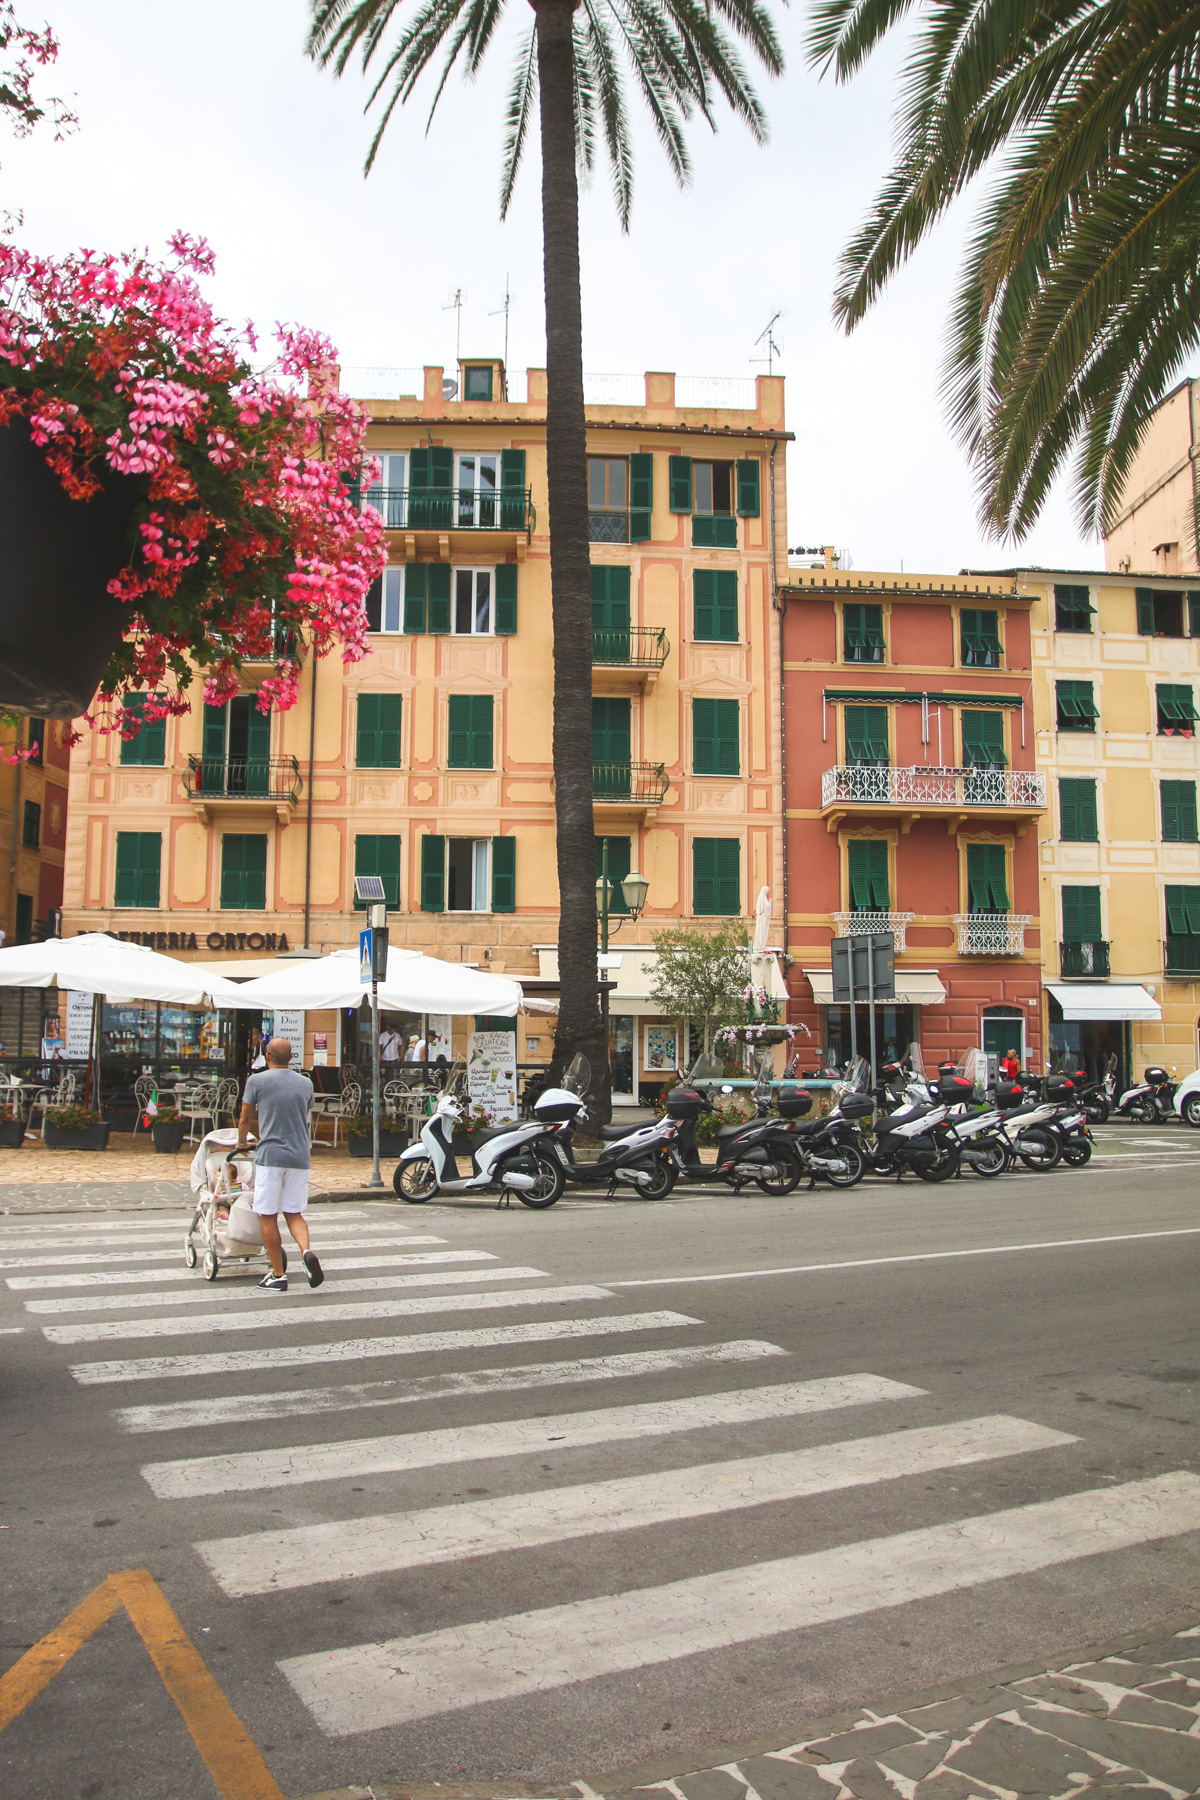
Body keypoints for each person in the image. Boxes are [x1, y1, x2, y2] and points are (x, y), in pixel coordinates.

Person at [235, 1036, 323, 1293]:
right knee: (294, 1213)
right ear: (291, 1057)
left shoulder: (256, 1081)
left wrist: (241, 1142)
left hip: (271, 1157)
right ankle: (306, 1251)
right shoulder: (305, 1083)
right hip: (299, 1156)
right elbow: (304, 1112)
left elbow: (245, 1117)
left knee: (268, 1215)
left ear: (267, 1056)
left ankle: (277, 1274)